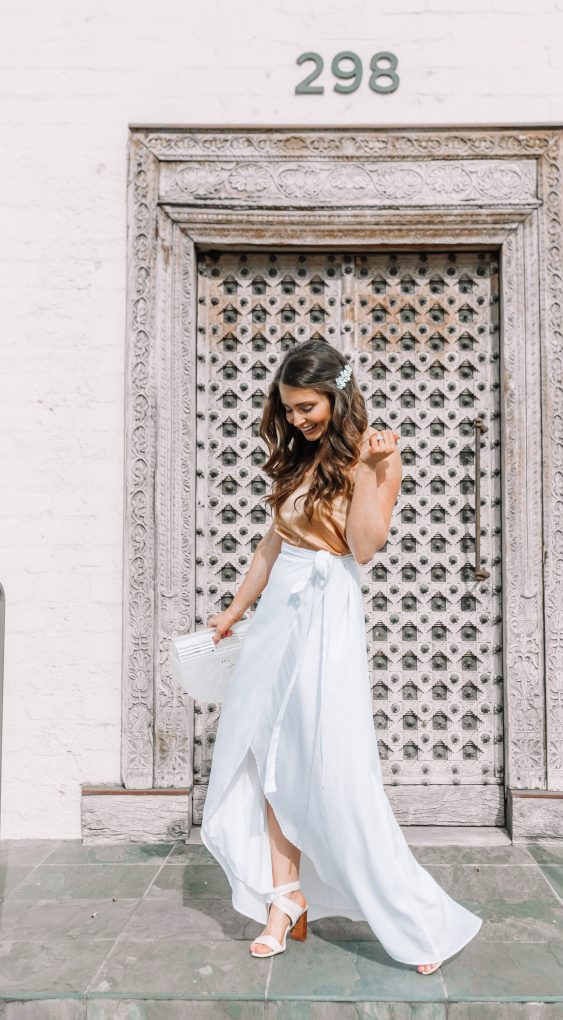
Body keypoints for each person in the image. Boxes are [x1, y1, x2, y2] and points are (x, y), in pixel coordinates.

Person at [201, 339, 482, 975]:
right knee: (264, 754)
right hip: (277, 617)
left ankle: (413, 921)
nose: (299, 418)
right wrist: (231, 613)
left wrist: (374, 473)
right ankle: (284, 899)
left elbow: (360, 547)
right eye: (290, 408)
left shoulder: (371, 457)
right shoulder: (295, 461)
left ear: (337, 394)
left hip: (327, 613)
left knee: (333, 767)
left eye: (307, 406)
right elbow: (269, 550)